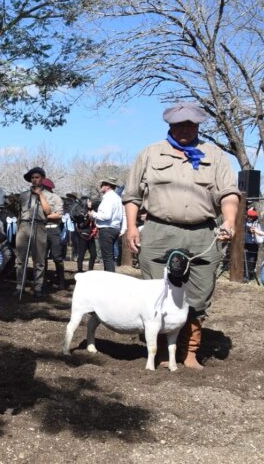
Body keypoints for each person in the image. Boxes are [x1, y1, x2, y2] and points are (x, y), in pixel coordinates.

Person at [124, 102, 239, 369]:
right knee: (157, 291)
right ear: (170, 125)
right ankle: (163, 351)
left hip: (202, 233)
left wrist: (230, 221)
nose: (185, 129)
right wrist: (131, 226)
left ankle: (190, 351)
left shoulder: (215, 155)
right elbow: (131, 195)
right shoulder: (150, 153)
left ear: (198, 125)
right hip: (158, 230)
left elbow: (229, 194)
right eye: (180, 124)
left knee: (200, 293)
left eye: (190, 124)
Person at [14, 166, 54, 299]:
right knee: (20, 259)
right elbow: (19, 213)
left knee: (39, 260)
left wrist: (40, 195)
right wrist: (19, 228)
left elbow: (48, 212)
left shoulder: (49, 195)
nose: (34, 180)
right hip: (24, 226)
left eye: (37, 177)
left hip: (39, 226)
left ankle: (38, 287)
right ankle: (20, 285)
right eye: (32, 178)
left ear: (42, 179)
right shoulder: (23, 195)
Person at [91, 176, 125, 272]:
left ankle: (110, 280)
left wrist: (93, 214)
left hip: (107, 229)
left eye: (102, 184)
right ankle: (109, 277)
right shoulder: (117, 198)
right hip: (115, 229)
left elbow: (106, 216)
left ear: (108, 186)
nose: (100, 186)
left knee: (107, 258)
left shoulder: (109, 198)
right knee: (110, 257)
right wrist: (122, 229)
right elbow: (123, 215)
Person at [40, 178, 66, 290]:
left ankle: (61, 281)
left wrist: (44, 217)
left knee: (57, 257)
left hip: (53, 229)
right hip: (42, 230)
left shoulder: (56, 198)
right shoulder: (38, 198)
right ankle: (42, 281)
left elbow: (59, 215)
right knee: (42, 257)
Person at [72, 196, 98, 273]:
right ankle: (79, 270)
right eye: (89, 201)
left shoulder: (92, 210)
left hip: (91, 236)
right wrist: (87, 216)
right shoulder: (81, 211)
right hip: (83, 236)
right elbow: (81, 225)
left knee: (93, 254)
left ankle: (90, 270)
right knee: (81, 255)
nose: (91, 203)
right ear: (85, 202)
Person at [244, 209, 262, 281]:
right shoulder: (244, 221)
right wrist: (248, 230)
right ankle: (245, 274)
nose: (249, 218)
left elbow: (260, 233)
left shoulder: (258, 223)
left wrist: (255, 231)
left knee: (252, 260)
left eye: (251, 217)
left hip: (253, 244)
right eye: (249, 216)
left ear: (255, 217)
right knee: (244, 260)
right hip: (245, 243)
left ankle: (250, 275)